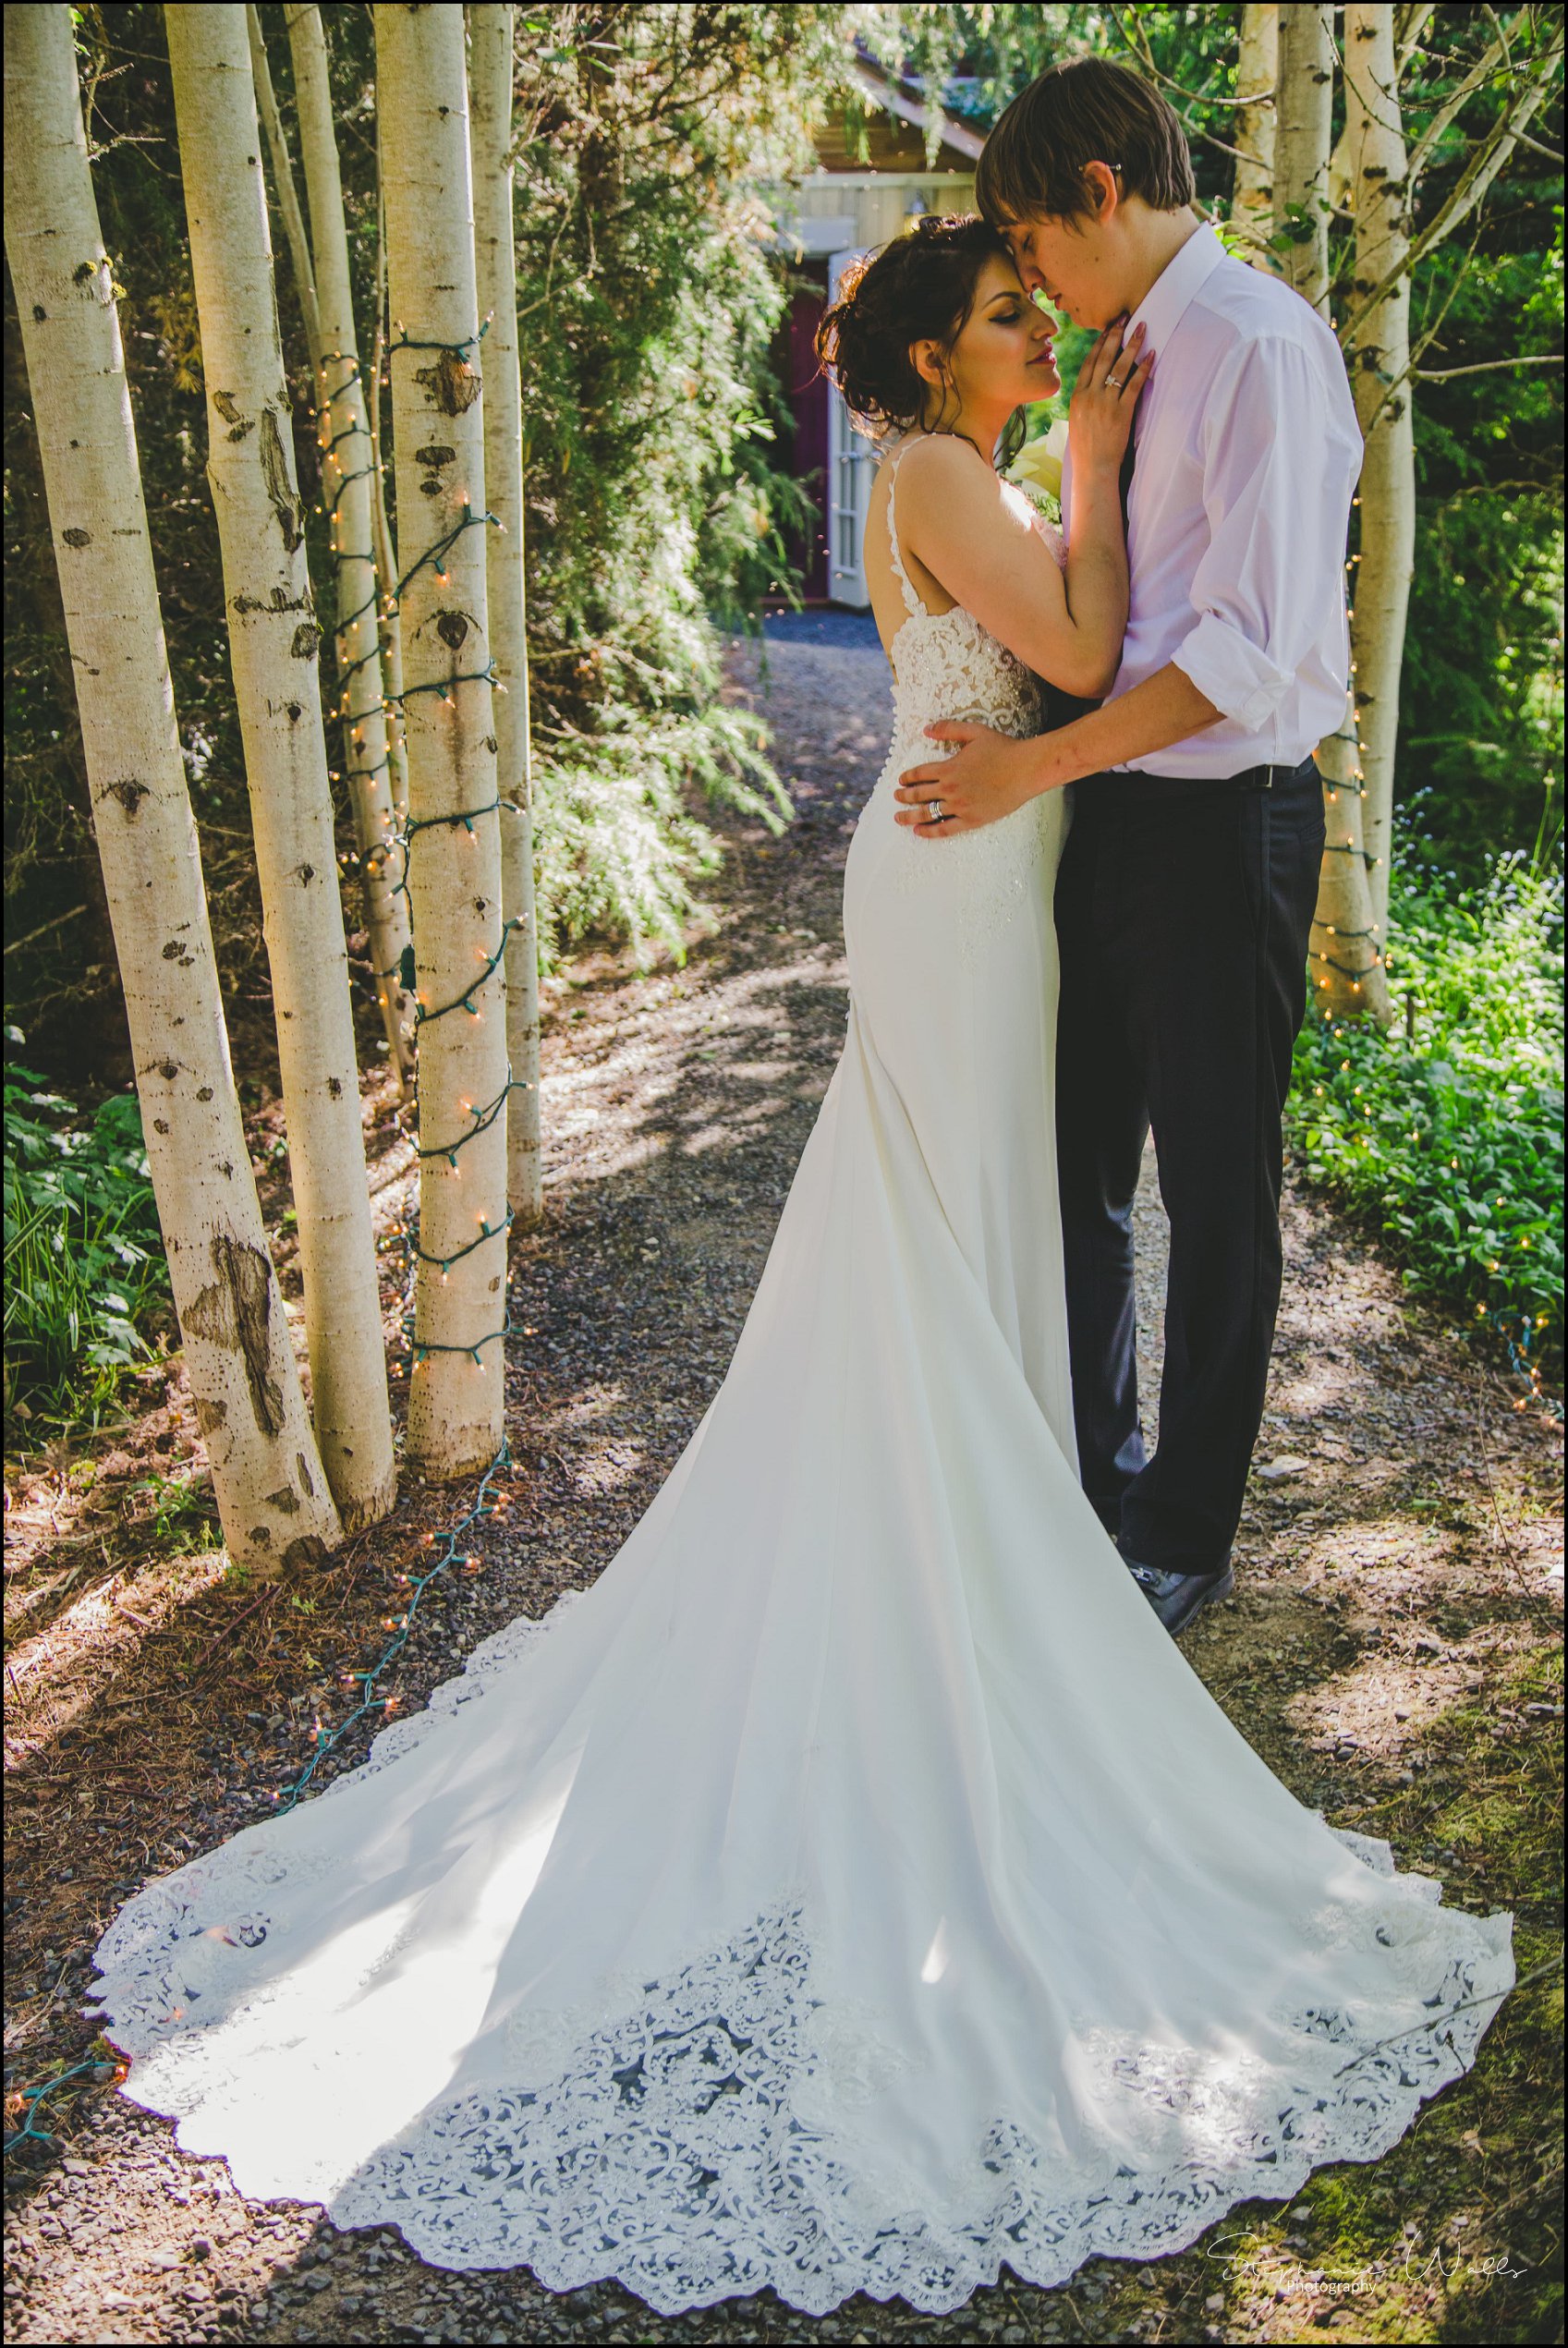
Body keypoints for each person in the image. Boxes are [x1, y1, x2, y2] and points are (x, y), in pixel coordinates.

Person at [90, 214, 1511, 2325]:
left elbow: (1080, 648)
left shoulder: (970, 462)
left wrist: (1092, 472)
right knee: (939, 1216)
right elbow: (1102, 642)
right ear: (944, 351)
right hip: (953, 884)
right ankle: (958, 1551)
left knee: (976, 1216)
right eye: (1020, 314)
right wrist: (1107, 471)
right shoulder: (952, 473)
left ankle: (1001, 1506)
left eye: (1050, 307)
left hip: (994, 862)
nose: (1050, 332)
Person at [895, 57, 1367, 1639]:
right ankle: (1088, 1481)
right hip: (1104, 810)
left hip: (1223, 820)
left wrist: (1031, 763)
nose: (1030, 281)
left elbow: (1244, 653)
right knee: (1073, 1167)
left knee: (1217, 1190)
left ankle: (1182, 1527)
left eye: (1031, 244)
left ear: (1100, 190)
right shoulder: (1131, 354)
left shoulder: (1258, 351)